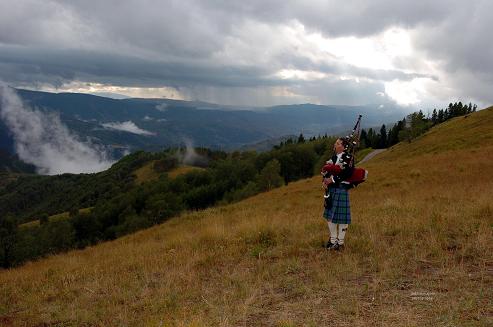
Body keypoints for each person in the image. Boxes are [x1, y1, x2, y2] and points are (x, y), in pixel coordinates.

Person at [322, 137, 354, 250]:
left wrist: (333, 180)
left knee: (342, 218)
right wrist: (325, 181)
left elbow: (347, 173)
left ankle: (340, 244)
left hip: (341, 189)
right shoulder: (334, 158)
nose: (335, 145)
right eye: (336, 143)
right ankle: (332, 241)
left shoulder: (349, 157)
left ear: (343, 146)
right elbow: (326, 171)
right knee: (330, 216)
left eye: (337, 143)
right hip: (331, 190)